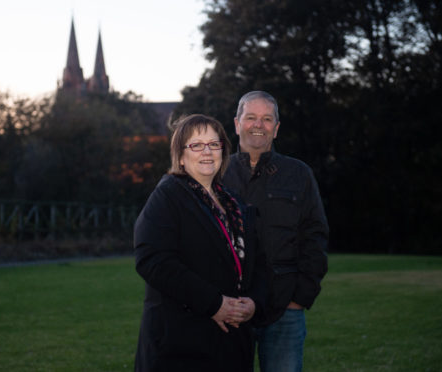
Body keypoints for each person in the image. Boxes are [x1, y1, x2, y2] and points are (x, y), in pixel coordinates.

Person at [134, 114, 267, 372]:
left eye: (213, 144)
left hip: (232, 344)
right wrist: (214, 304)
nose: (207, 151)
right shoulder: (168, 194)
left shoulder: (235, 204)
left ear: (223, 152)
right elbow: (153, 260)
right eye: (196, 145)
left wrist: (254, 303)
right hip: (182, 344)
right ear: (181, 156)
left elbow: (259, 264)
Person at [222, 91, 329, 372]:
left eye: (267, 119)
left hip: (284, 309)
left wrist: (299, 299)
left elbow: (315, 238)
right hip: (228, 309)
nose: (259, 125)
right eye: (251, 118)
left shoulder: (298, 174)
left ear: (277, 128)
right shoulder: (216, 173)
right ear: (237, 123)